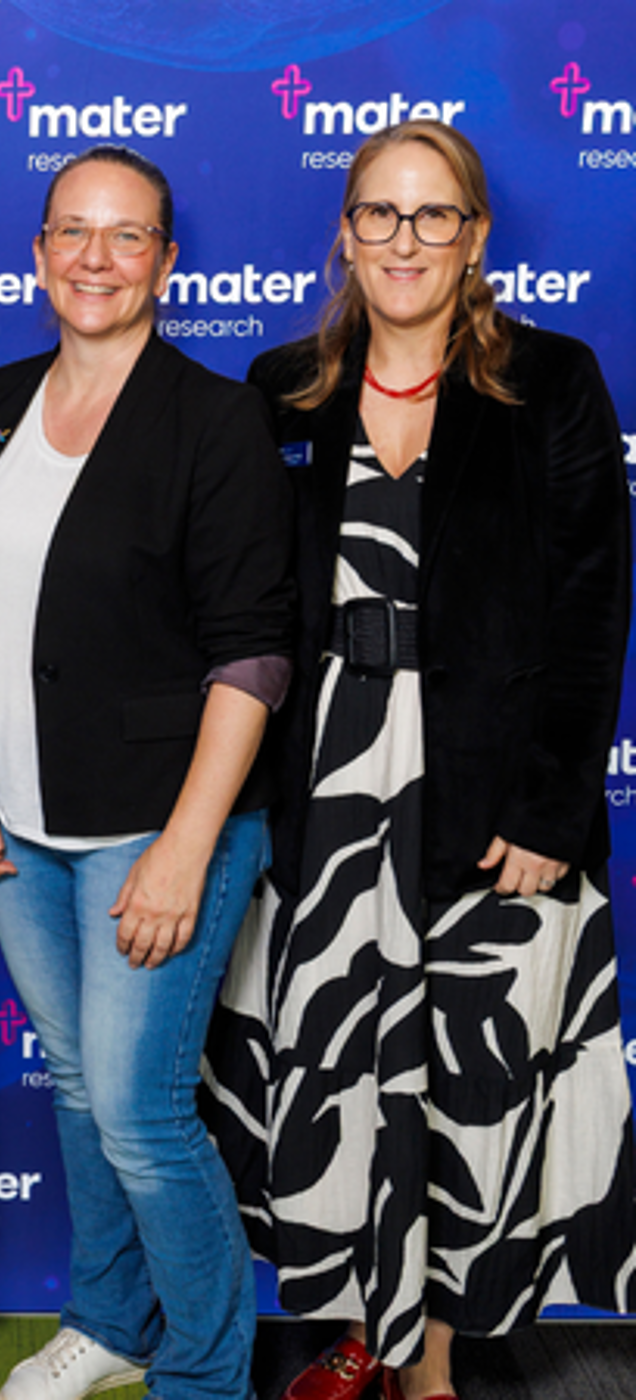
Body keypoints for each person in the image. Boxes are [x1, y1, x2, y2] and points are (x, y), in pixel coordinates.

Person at [202, 120, 635, 1400]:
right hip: (327, 787)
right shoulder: (279, 387)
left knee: (465, 1076)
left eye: (430, 215)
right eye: (378, 215)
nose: (403, 240)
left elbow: (589, 600)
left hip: (492, 787)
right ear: (344, 232)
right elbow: (245, 609)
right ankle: (363, 1330)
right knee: (342, 1065)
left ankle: (434, 1359)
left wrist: (555, 797)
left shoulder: (551, 380)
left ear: (474, 235)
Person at [0, 145, 294, 1400]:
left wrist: (183, 847)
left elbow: (253, 654)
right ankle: (109, 1320)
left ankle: (204, 1373)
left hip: (156, 829)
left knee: (144, 1118)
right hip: (24, 833)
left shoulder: (213, 417)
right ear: (37, 252)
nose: (94, 258)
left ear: (164, 260)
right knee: (85, 1098)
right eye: (71, 233)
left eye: (126, 235)